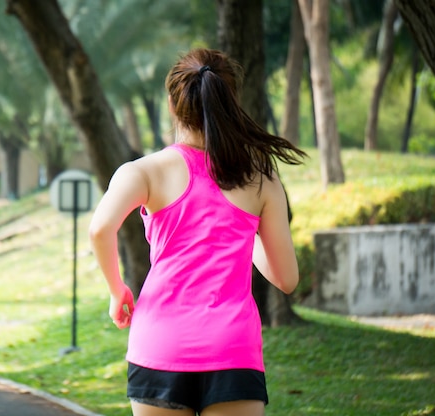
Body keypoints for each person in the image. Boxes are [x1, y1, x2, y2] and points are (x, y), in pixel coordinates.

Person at [89, 48, 307, 416]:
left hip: (160, 344)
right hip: (233, 350)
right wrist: (245, 230)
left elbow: (100, 229)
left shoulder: (144, 171)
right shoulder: (261, 179)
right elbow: (286, 279)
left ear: (173, 106)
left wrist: (117, 291)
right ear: (229, 102)